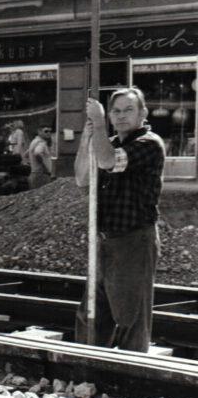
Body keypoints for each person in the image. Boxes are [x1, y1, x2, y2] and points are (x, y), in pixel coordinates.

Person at [74, 88, 165, 353]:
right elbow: (82, 178)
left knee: (130, 317)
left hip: (133, 239)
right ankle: (88, 367)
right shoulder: (109, 141)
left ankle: (131, 371)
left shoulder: (149, 143)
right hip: (105, 240)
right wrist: (87, 138)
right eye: (116, 111)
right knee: (92, 315)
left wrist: (98, 123)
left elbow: (108, 161)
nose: (121, 116)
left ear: (143, 113)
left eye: (128, 110)